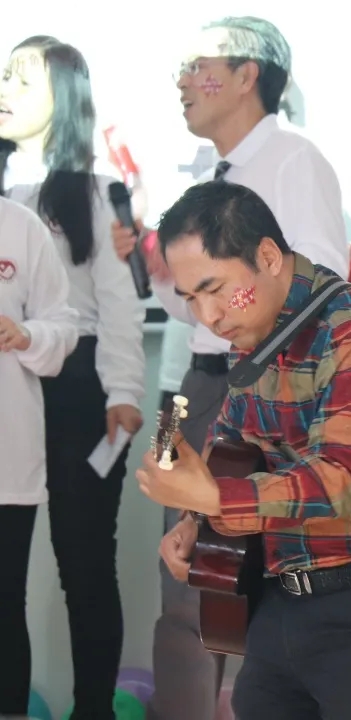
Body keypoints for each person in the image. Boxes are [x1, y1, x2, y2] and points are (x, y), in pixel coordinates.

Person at [134, 180, 351, 719]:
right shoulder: (252, 343)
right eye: (191, 298)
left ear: (267, 256)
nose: (209, 316)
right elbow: (231, 446)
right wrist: (195, 522)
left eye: (215, 289)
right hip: (286, 598)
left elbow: (337, 482)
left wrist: (213, 499)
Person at [109, 16, 350, 720]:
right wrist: (155, 271)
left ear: (248, 75)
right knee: (180, 574)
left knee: (253, 578)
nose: (183, 81)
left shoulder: (294, 161)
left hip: (261, 386)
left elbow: (321, 282)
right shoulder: (208, 174)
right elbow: (192, 310)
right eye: (182, 68)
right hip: (189, 387)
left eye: (199, 65)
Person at [0, 37, 145, 719]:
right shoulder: (6, 188)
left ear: (66, 97)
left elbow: (122, 303)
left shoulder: (99, 192)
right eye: (4, 76)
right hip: (13, 385)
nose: (5, 90)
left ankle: (93, 709)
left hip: (81, 389)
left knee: (83, 563)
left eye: (22, 80)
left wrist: (124, 393)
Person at [0, 195, 79, 716]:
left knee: (5, 602)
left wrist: (26, 334)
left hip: (7, 456)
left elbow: (64, 325)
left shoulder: (21, 227)